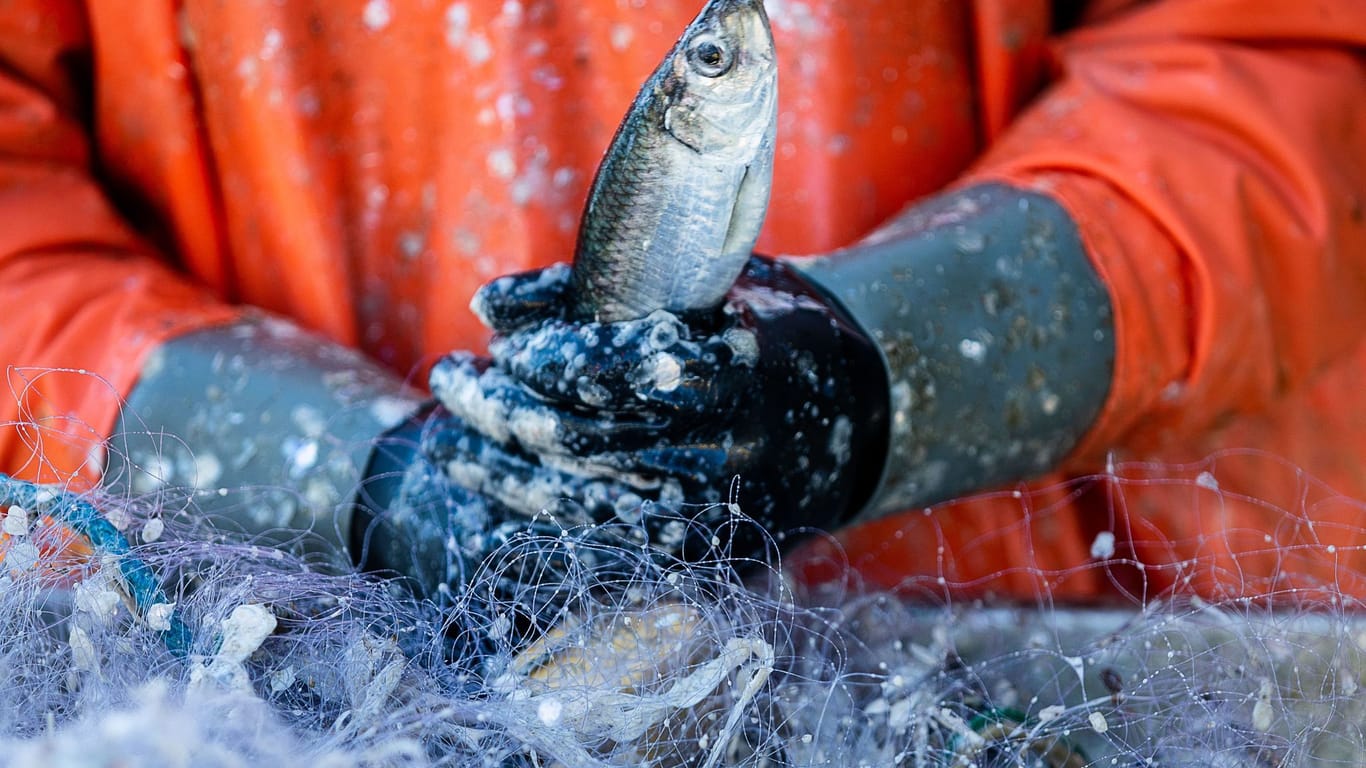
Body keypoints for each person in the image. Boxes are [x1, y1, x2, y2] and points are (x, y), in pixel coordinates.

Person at [1, 0, 1364, 606]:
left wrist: (873, 371)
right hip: (281, 677)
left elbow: (1279, 74)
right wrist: (357, 480)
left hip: (1075, 650)